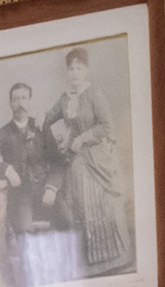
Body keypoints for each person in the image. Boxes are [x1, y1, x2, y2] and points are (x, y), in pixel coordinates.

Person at [0, 81, 76, 287]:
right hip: (21, 196)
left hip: (46, 192)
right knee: (23, 231)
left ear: (30, 101)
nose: (20, 103)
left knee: (67, 220)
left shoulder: (42, 128)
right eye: (16, 99)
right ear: (10, 104)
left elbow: (59, 162)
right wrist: (6, 169)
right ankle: (31, 283)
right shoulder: (2, 134)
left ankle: (64, 275)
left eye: (24, 98)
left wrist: (52, 187)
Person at [43, 47, 130, 274]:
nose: (74, 73)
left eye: (78, 68)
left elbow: (107, 125)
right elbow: (50, 116)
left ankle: (114, 257)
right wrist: (42, 117)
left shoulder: (94, 94)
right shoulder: (64, 99)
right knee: (79, 202)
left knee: (103, 204)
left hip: (97, 157)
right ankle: (89, 259)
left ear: (86, 70)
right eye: (70, 69)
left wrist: (82, 138)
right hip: (76, 158)